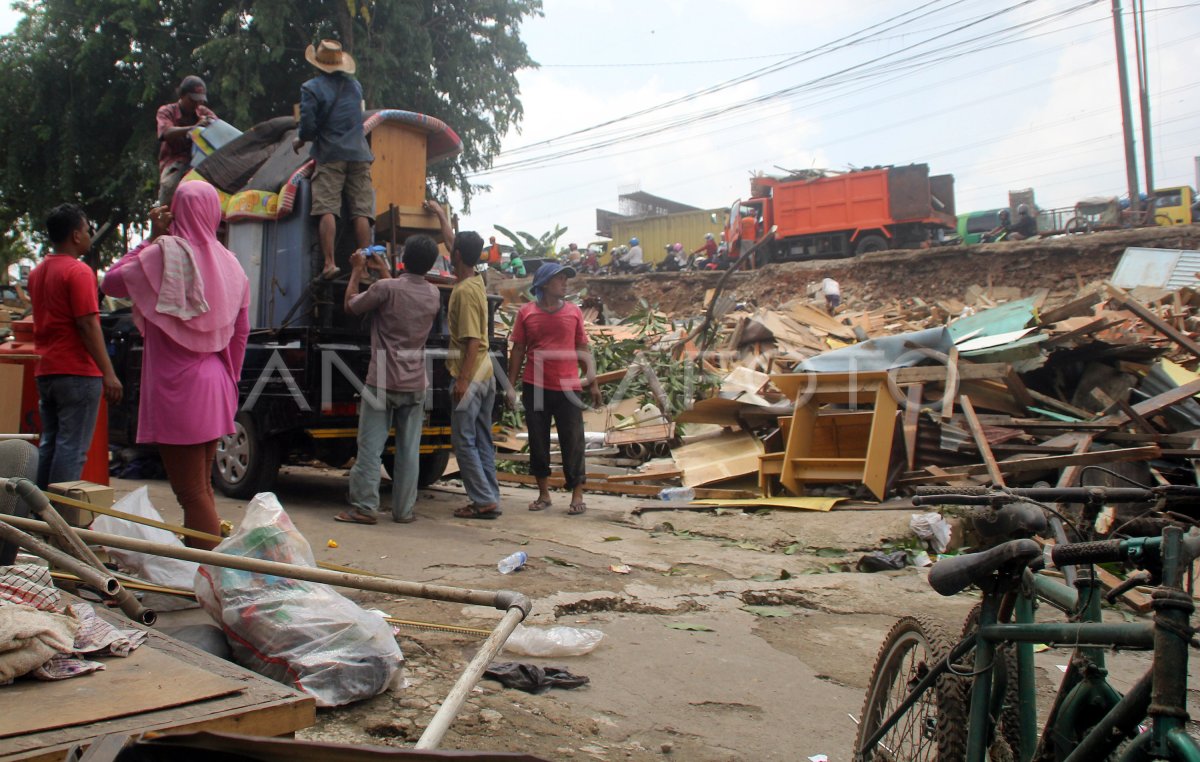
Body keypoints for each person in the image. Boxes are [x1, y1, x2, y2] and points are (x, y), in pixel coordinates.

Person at [101, 182, 249, 549]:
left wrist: (150, 238)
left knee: (191, 494)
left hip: (177, 388)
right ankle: (210, 572)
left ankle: (210, 576)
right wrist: (230, 379)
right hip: (216, 380)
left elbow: (111, 282)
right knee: (203, 490)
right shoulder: (232, 264)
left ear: (176, 210)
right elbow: (241, 334)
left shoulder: (164, 255)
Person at [334, 234, 440, 525]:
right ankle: (404, 511)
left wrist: (357, 269)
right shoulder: (433, 294)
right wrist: (383, 271)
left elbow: (352, 305)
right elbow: (402, 290)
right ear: (430, 264)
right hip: (416, 382)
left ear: (403, 259)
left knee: (370, 447)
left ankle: (365, 508)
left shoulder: (386, 288)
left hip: (381, 380)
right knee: (408, 449)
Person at [28, 204, 123, 489]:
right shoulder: (79, 272)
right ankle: (60, 518)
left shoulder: (38, 273)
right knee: (72, 449)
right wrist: (109, 373)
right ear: (75, 235)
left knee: (50, 444)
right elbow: (87, 324)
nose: (89, 234)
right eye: (87, 229)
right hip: (77, 372)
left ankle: (38, 513)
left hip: (47, 370)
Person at [507, 263, 602, 516]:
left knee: (573, 441)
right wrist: (510, 385)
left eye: (565, 279)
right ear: (545, 284)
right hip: (534, 386)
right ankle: (544, 494)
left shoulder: (573, 313)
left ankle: (577, 493)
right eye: (560, 279)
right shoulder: (526, 313)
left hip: (569, 388)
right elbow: (517, 350)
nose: (565, 283)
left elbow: (582, 348)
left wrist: (592, 382)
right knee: (538, 442)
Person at [429, 202, 501, 519]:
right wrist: (442, 216)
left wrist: (461, 380)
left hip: (470, 375)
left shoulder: (463, 292)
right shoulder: (474, 282)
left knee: (464, 440)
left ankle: (483, 499)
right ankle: (490, 496)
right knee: (482, 437)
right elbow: (452, 242)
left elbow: (472, 339)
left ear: (456, 256)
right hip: (486, 374)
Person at [293, 39, 374, 281]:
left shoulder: (311, 88)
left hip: (330, 154)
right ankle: (364, 268)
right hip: (359, 154)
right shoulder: (355, 87)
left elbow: (307, 127)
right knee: (361, 211)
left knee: (327, 207)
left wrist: (300, 139)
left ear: (318, 64)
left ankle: (329, 263)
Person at [156, 75, 217, 206]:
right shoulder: (166, 111)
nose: (196, 104)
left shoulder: (203, 112)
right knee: (169, 187)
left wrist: (212, 124)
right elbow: (166, 133)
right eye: (192, 100)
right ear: (182, 95)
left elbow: (219, 127)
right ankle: (164, 214)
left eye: (200, 101)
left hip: (202, 162)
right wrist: (193, 128)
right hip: (175, 162)